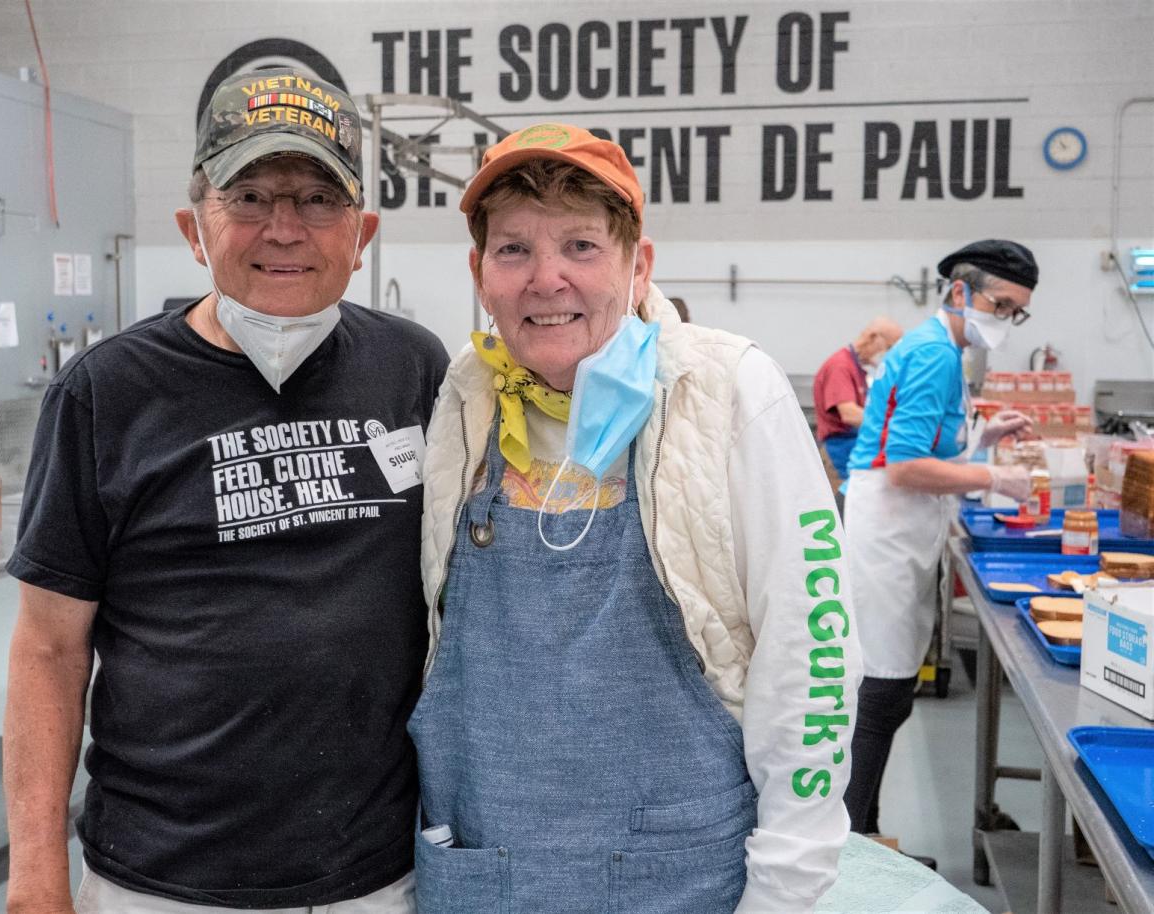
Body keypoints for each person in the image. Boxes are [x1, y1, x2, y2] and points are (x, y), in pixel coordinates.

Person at [3, 69, 448, 913]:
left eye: (320, 197)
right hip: (159, 882)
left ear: (363, 234)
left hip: (376, 878)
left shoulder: (413, 369)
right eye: (249, 195)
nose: (285, 228)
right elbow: (48, 649)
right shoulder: (108, 394)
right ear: (193, 229)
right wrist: (34, 876)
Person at [410, 123, 861, 913]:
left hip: (681, 881)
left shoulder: (725, 392)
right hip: (488, 874)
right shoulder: (464, 399)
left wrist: (786, 890)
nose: (546, 279)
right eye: (513, 250)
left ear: (638, 263)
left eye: (581, 246)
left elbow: (811, 653)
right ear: (480, 274)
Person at [841, 240, 1038, 839]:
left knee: (891, 688)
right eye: (1000, 305)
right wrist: (995, 476)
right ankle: (849, 844)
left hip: (902, 528)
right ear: (960, 292)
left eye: (1016, 312)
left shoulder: (943, 352)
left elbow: (928, 447)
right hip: (888, 528)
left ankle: (865, 832)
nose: (1004, 321)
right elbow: (903, 465)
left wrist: (981, 441)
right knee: (882, 691)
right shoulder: (933, 353)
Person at [813, 317, 903, 492]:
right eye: (890, 347)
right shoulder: (841, 366)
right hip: (841, 448)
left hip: (850, 444)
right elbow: (849, 414)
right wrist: (895, 426)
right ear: (874, 337)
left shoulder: (856, 367)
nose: (890, 353)